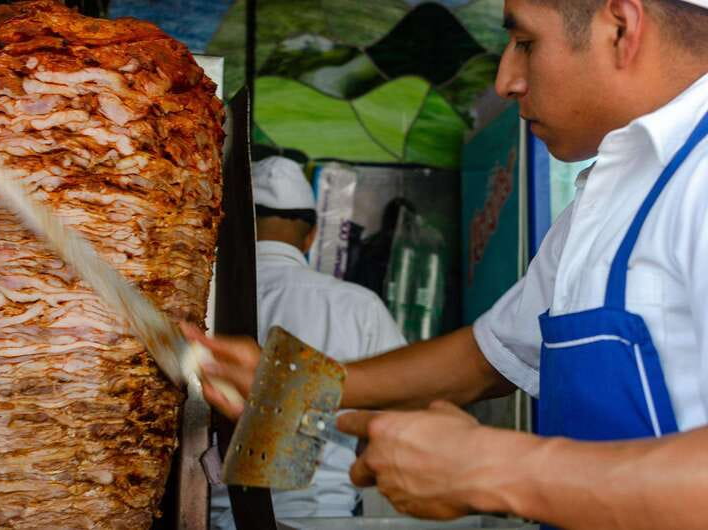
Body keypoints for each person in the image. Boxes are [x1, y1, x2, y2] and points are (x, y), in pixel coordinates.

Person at [192, 1, 708, 528]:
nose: (506, 80)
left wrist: (493, 468)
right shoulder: (607, 197)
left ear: (620, 28)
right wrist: (285, 384)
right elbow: (488, 355)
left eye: (525, 43)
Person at [209, 156, 406, 529]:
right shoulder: (360, 306)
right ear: (311, 235)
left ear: (232, 225)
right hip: (326, 516)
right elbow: (388, 424)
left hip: (219, 518)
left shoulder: (206, 302)